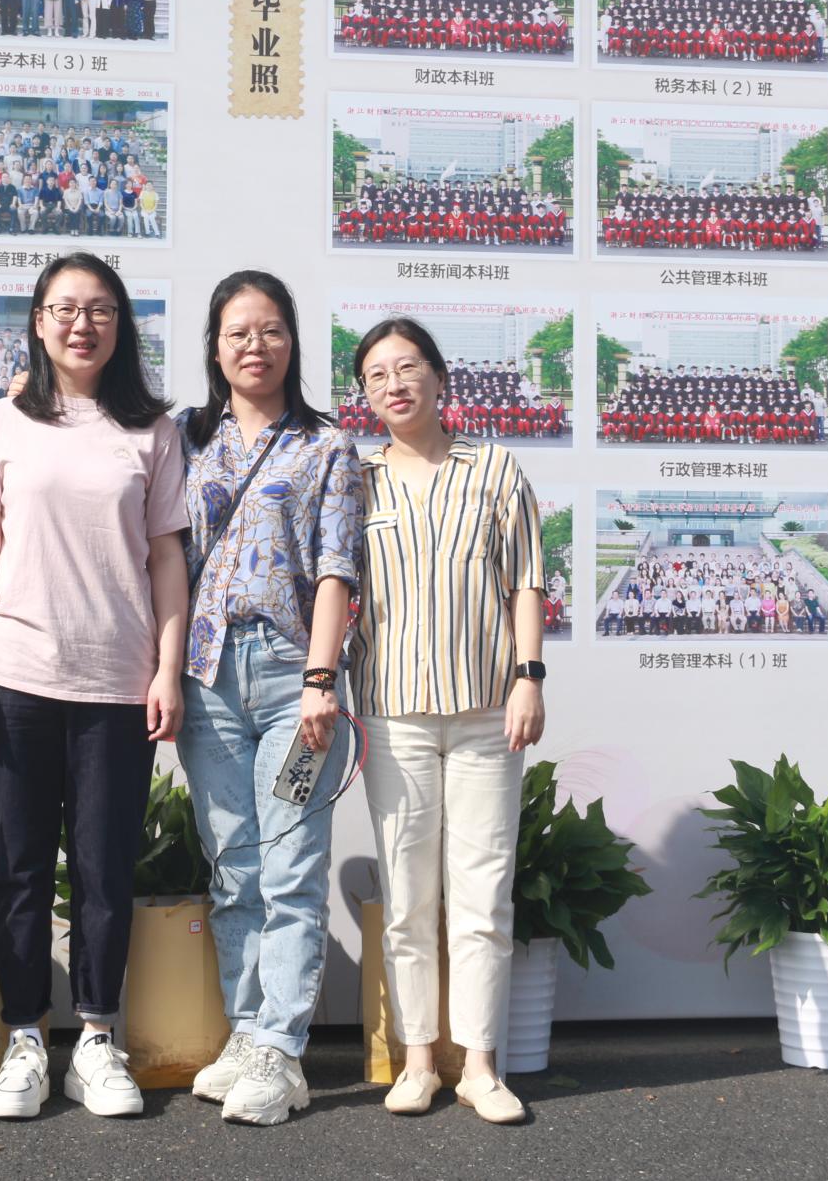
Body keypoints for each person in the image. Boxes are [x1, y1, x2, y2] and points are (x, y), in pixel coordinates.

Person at [0, 252, 187, 1122]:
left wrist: (166, 668)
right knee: (17, 868)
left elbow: (167, 558)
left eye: (101, 310)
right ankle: (22, 1036)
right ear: (39, 321)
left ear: (122, 325)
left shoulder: (153, 431)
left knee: (103, 869)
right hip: (18, 676)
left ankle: (95, 1038)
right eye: (65, 309)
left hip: (117, 682)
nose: (83, 324)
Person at [174, 271, 362, 1124]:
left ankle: (283, 1051)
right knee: (234, 867)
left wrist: (322, 680)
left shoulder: (327, 446)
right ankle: (248, 1032)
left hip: (293, 680)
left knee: (290, 866)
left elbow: (337, 569)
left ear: (293, 340)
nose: (256, 345)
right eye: (238, 332)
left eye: (272, 329)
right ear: (215, 347)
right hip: (208, 677)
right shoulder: (185, 437)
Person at [346, 316, 543, 1125]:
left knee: (483, 894)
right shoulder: (356, 482)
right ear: (364, 395)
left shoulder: (494, 468)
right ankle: (420, 1059)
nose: (394, 384)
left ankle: (481, 1066)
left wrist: (529, 677)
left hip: (487, 710)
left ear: (438, 376)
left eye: (407, 367)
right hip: (393, 712)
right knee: (407, 899)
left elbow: (526, 581)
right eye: (377, 375)